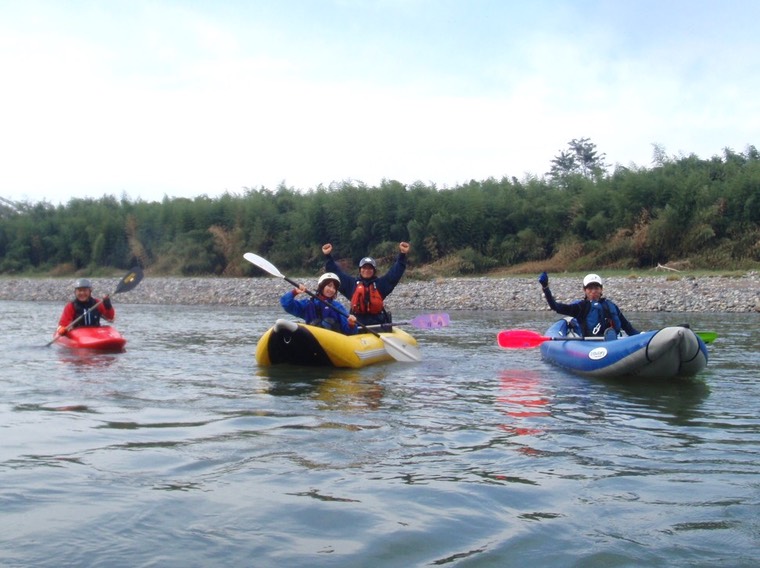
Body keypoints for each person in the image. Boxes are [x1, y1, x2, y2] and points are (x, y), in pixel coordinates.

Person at [322, 241, 410, 327]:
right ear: (360, 270)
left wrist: (402, 254)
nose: (367, 270)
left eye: (370, 268)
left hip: (378, 324)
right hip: (357, 324)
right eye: (364, 268)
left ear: (374, 271)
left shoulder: (381, 284)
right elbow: (336, 273)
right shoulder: (351, 284)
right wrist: (328, 256)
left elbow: (395, 274)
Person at [538, 272, 639, 338]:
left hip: (612, 343)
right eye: (590, 289)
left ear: (601, 289)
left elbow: (628, 328)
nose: (593, 291)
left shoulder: (611, 306)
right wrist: (546, 288)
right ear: (585, 290)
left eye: (596, 288)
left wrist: (644, 338)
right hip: (589, 345)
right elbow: (556, 307)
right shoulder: (581, 307)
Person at [280, 272, 358, 335]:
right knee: (315, 323)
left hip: (333, 341)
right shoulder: (308, 304)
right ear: (322, 286)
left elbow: (349, 331)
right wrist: (295, 292)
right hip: (313, 341)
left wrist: (351, 324)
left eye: (334, 288)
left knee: (328, 322)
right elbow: (286, 304)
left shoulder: (337, 307)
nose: (331, 290)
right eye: (329, 286)